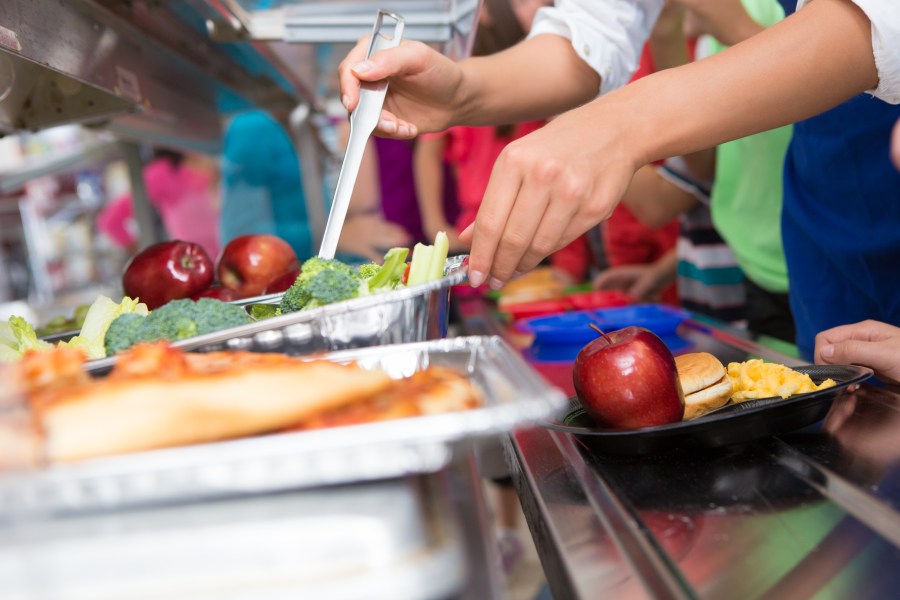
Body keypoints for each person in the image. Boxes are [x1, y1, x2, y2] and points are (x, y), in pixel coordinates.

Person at [338, 0, 899, 359]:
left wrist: (622, 125)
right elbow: (596, 27)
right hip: (825, 217)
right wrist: (466, 90)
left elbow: (879, 22)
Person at [98, 149, 220, 258]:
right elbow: (111, 221)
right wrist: (149, 259)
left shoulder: (222, 162)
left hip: (232, 263)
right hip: (195, 273)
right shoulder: (164, 172)